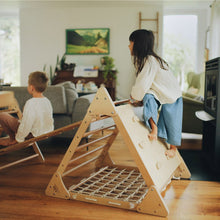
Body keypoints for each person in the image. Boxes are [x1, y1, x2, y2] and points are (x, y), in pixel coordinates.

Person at [128, 29, 182, 158]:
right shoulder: (150, 60)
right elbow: (144, 84)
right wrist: (137, 98)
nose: (129, 46)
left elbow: (142, 82)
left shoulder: (150, 60)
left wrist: (133, 97)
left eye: (130, 42)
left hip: (173, 94)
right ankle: (154, 128)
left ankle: (173, 149)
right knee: (148, 97)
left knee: (172, 119)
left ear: (138, 44)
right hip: (158, 93)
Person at [0, 71, 54, 146]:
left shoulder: (31, 103)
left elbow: (26, 125)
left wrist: (19, 139)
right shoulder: (47, 101)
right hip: (45, 132)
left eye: (28, 85)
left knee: (2, 115)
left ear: (32, 88)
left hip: (31, 134)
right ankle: (13, 137)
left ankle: (12, 139)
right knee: (22, 118)